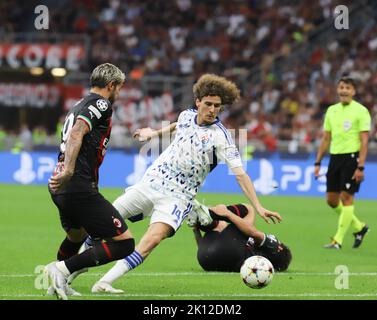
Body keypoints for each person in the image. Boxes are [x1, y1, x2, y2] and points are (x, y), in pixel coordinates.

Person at [90, 74, 282, 293]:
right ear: (198, 101)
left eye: (217, 106)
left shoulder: (221, 137)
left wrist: (258, 206)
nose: (212, 110)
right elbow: (176, 125)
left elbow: (240, 174)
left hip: (178, 198)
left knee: (151, 240)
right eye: (208, 104)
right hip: (152, 182)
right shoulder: (186, 115)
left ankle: (104, 282)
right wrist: (154, 133)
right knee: (103, 223)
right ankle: (69, 271)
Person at [44, 63, 136, 300]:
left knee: (77, 235)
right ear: (111, 85)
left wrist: (63, 173)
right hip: (76, 184)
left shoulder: (79, 104)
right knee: (124, 244)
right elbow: (76, 133)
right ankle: (60, 269)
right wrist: (69, 171)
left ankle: (58, 282)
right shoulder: (101, 103)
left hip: (61, 187)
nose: (119, 94)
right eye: (119, 88)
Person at [314, 77, 371, 249]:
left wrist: (360, 166)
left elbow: (364, 141)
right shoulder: (332, 111)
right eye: (341, 87)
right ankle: (360, 227)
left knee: (346, 198)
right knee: (332, 200)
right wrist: (318, 162)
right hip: (335, 158)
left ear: (353, 91)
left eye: (348, 87)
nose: (344, 90)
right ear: (338, 90)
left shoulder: (361, 111)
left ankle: (337, 240)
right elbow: (326, 138)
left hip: (352, 158)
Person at [191, 201, 292, 273]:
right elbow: (209, 249)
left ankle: (209, 213)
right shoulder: (260, 260)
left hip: (231, 251)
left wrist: (228, 214)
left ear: (280, 248)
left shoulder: (275, 246)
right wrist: (196, 230)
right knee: (221, 227)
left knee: (249, 210)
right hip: (205, 260)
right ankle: (199, 219)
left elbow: (253, 233)